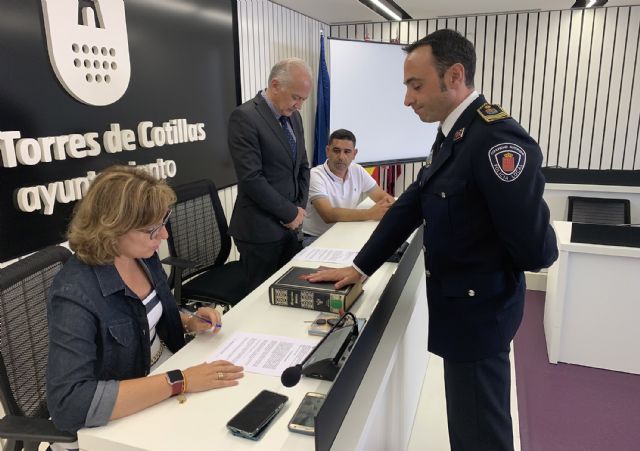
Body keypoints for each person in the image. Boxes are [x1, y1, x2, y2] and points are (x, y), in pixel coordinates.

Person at [305, 29, 558, 451]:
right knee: (467, 427)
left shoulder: (495, 140)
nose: (407, 99)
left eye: (415, 85)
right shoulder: (453, 134)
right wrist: (360, 267)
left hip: (480, 314)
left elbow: (536, 250)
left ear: (455, 76)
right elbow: (413, 202)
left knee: (480, 435)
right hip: (463, 311)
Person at [47, 166, 244, 440]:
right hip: (122, 421)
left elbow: (146, 314)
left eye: (164, 222)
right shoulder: (75, 292)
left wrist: (187, 320)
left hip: (162, 380)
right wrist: (181, 380)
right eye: (153, 229)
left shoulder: (141, 255)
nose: (164, 236)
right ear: (112, 229)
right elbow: (69, 404)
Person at [228, 57, 312, 291]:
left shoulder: (294, 117)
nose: (299, 105)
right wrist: (289, 213)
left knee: (291, 292)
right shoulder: (245, 117)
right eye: (296, 97)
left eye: (303, 99)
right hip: (259, 232)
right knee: (260, 300)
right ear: (275, 85)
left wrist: (299, 210)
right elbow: (251, 178)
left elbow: (303, 167)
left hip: (292, 227)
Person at [302, 128, 395, 247]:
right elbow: (328, 215)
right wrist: (370, 213)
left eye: (347, 152)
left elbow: (382, 197)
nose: (341, 157)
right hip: (317, 238)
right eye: (336, 151)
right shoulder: (315, 175)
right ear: (327, 151)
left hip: (346, 232)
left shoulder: (357, 170)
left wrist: (391, 205)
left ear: (354, 154)